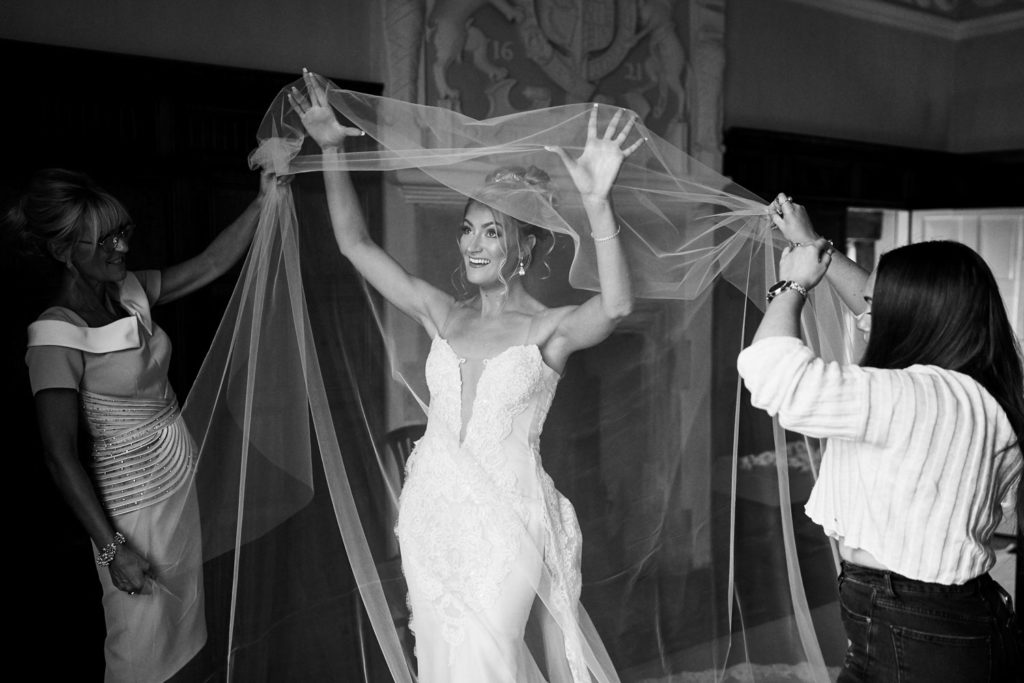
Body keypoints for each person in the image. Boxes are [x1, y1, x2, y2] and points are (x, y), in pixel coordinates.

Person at [288, 69, 642, 681]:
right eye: (467, 229)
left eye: (492, 232)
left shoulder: (548, 329)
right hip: (431, 511)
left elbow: (615, 307)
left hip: (507, 519)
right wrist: (331, 148)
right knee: (439, 654)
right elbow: (354, 245)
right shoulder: (443, 313)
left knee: (491, 657)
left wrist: (598, 203)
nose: (473, 246)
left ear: (525, 247)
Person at [737, 194, 1024, 682]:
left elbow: (772, 374)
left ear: (917, 316)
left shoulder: (914, 394)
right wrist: (811, 245)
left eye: (878, 308)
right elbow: (869, 303)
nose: (863, 317)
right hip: (935, 619)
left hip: (913, 627)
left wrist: (793, 284)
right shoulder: (973, 389)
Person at [7, 167, 272, 682]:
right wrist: (113, 549)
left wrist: (263, 201)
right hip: (131, 510)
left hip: (178, 489)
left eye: (123, 231)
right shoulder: (55, 334)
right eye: (104, 240)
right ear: (65, 251)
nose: (122, 246)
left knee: (187, 635)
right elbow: (59, 456)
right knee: (141, 648)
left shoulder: (128, 291)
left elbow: (211, 264)